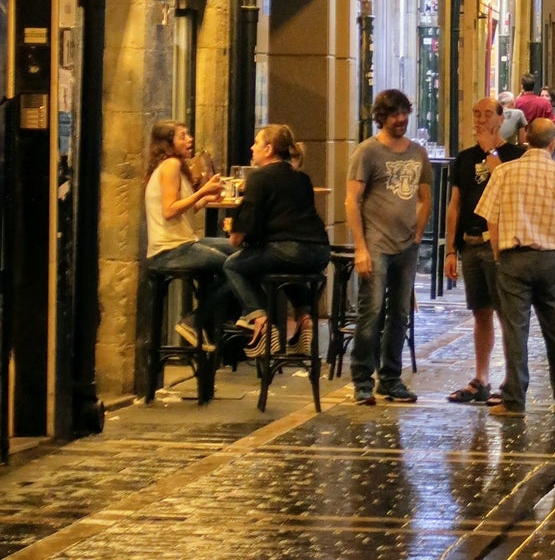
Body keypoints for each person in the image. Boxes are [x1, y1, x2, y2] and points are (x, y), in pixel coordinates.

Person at [477, 119, 555, 414]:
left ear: (525, 138)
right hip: (549, 260)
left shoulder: (504, 172)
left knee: (515, 332)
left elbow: (490, 219)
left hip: (513, 258)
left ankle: (515, 400)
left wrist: (497, 254)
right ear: (554, 143)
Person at [345, 89, 432, 405]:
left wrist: (418, 233)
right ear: (382, 116)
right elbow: (352, 201)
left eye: (405, 113)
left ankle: (391, 377)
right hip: (377, 244)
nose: (401, 119)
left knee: (400, 313)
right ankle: (362, 379)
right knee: (372, 312)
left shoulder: (417, 153)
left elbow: (425, 198)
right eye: (395, 114)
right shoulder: (367, 152)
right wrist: (361, 247)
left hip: (406, 246)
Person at [224, 123, 330, 355]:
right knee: (285, 267)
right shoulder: (301, 177)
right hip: (320, 252)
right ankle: (304, 317)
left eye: (257, 143)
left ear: (269, 148)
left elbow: (237, 238)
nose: (252, 148)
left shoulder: (259, 178)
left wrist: (235, 232)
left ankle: (260, 321)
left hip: (288, 249)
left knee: (233, 265)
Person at [444, 97, 518, 405]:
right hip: (471, 245)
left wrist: (491, 151)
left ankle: (511, 382)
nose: (480, 119)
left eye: (488, 114)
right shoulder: (463, 158)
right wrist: (450, 249)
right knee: (480, 313)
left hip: (498, 244)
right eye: (476, 114)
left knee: (507, 314)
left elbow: (509, 190)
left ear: (501, 119)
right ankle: (481, 378)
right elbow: (455, 204)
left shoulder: (516, 155)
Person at [143, 120, 232, 350]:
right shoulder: (170, 165)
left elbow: (185, 208)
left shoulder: (175, 166)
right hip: (170, 250)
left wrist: (207, 199)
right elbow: (170, 210)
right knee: (236, 267)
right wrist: (202, 190)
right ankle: (195, 320)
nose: (189, 139)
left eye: (188, 135)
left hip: (183, 242)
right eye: (182, 136)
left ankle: (204, 319)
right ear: (168, 143)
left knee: (237, 249)